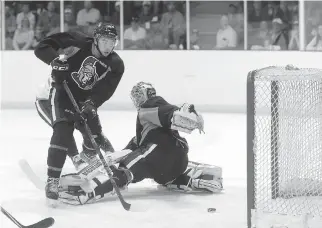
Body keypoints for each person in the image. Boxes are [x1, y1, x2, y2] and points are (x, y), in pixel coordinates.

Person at [57, 82, 223, 206]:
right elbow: (134, 145)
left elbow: (170, 113)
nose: (136, 99)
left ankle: (88, 191)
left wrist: (183, 114)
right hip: (177, 161)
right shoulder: (149, 125)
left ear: (146, 95)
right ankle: (196, 176)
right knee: (159, 173)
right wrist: (113, 156)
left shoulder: (150, 106)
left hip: (158, 155)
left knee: (124, 169)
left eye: (138, 94)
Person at [34, 22, 125, 207]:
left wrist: (92, 103)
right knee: (63, 129)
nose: (109, 46)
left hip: (81, 99)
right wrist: (55, 61)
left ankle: (90, 156)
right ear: (96, 39)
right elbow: (42, 47)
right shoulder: (77, 42)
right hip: (58, 92)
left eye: (112, 42)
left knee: (93, 131)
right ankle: (53, 180)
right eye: (105, 41)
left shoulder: (115, 64)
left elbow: (104, 90)